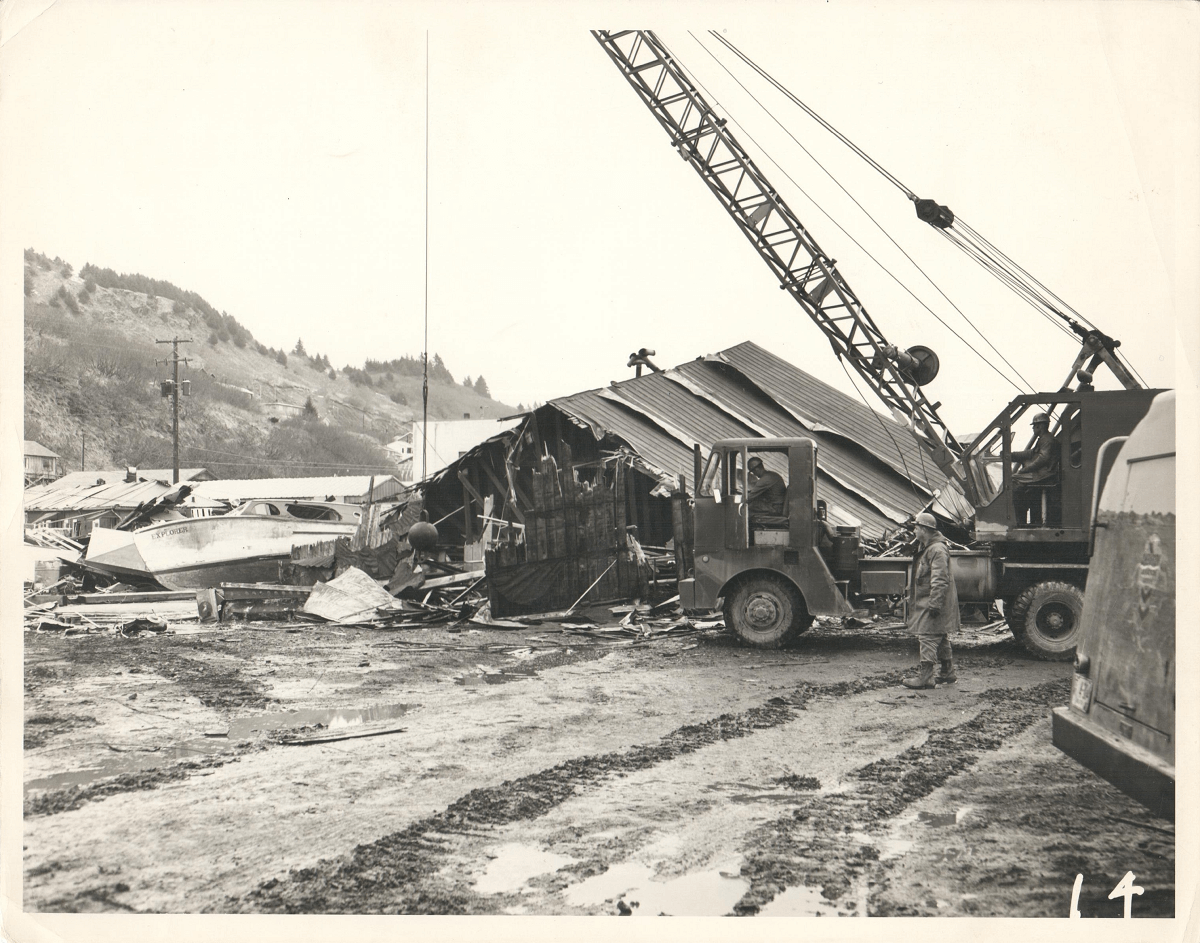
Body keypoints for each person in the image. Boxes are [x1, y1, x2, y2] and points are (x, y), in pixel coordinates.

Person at [902, 511, 960, 690]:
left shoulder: (936, 549)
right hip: (932, 600)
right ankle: (947, 672)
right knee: (940, 634)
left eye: (917, 528)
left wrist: (934, 604)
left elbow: (940, 579)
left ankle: (926, 677)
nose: (914, 531)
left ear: (925, 530)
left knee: (927, 635)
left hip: (935, 601)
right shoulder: (930, 547)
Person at [1011, 412, 1057, 525]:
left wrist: (1025, 470)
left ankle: (1019, 520)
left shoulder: (1047, 440)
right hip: (1042, 473)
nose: (1033, 428)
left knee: (1013, 481)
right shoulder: (1044, 439)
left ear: (1040, 426)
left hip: (1044, 475)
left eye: (1034, 426)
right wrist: (1012, 455)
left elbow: (1042, 459)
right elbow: (1031, 453)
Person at [746, 456, 786, 522]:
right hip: (777, 506)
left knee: (748, 507)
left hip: (775, 508)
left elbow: (748, 497)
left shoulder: (765, 479)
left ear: (756, 469)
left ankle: (749, 530)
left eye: (753, 472)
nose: (754, 474)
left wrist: (743, 498)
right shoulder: (771, 475)